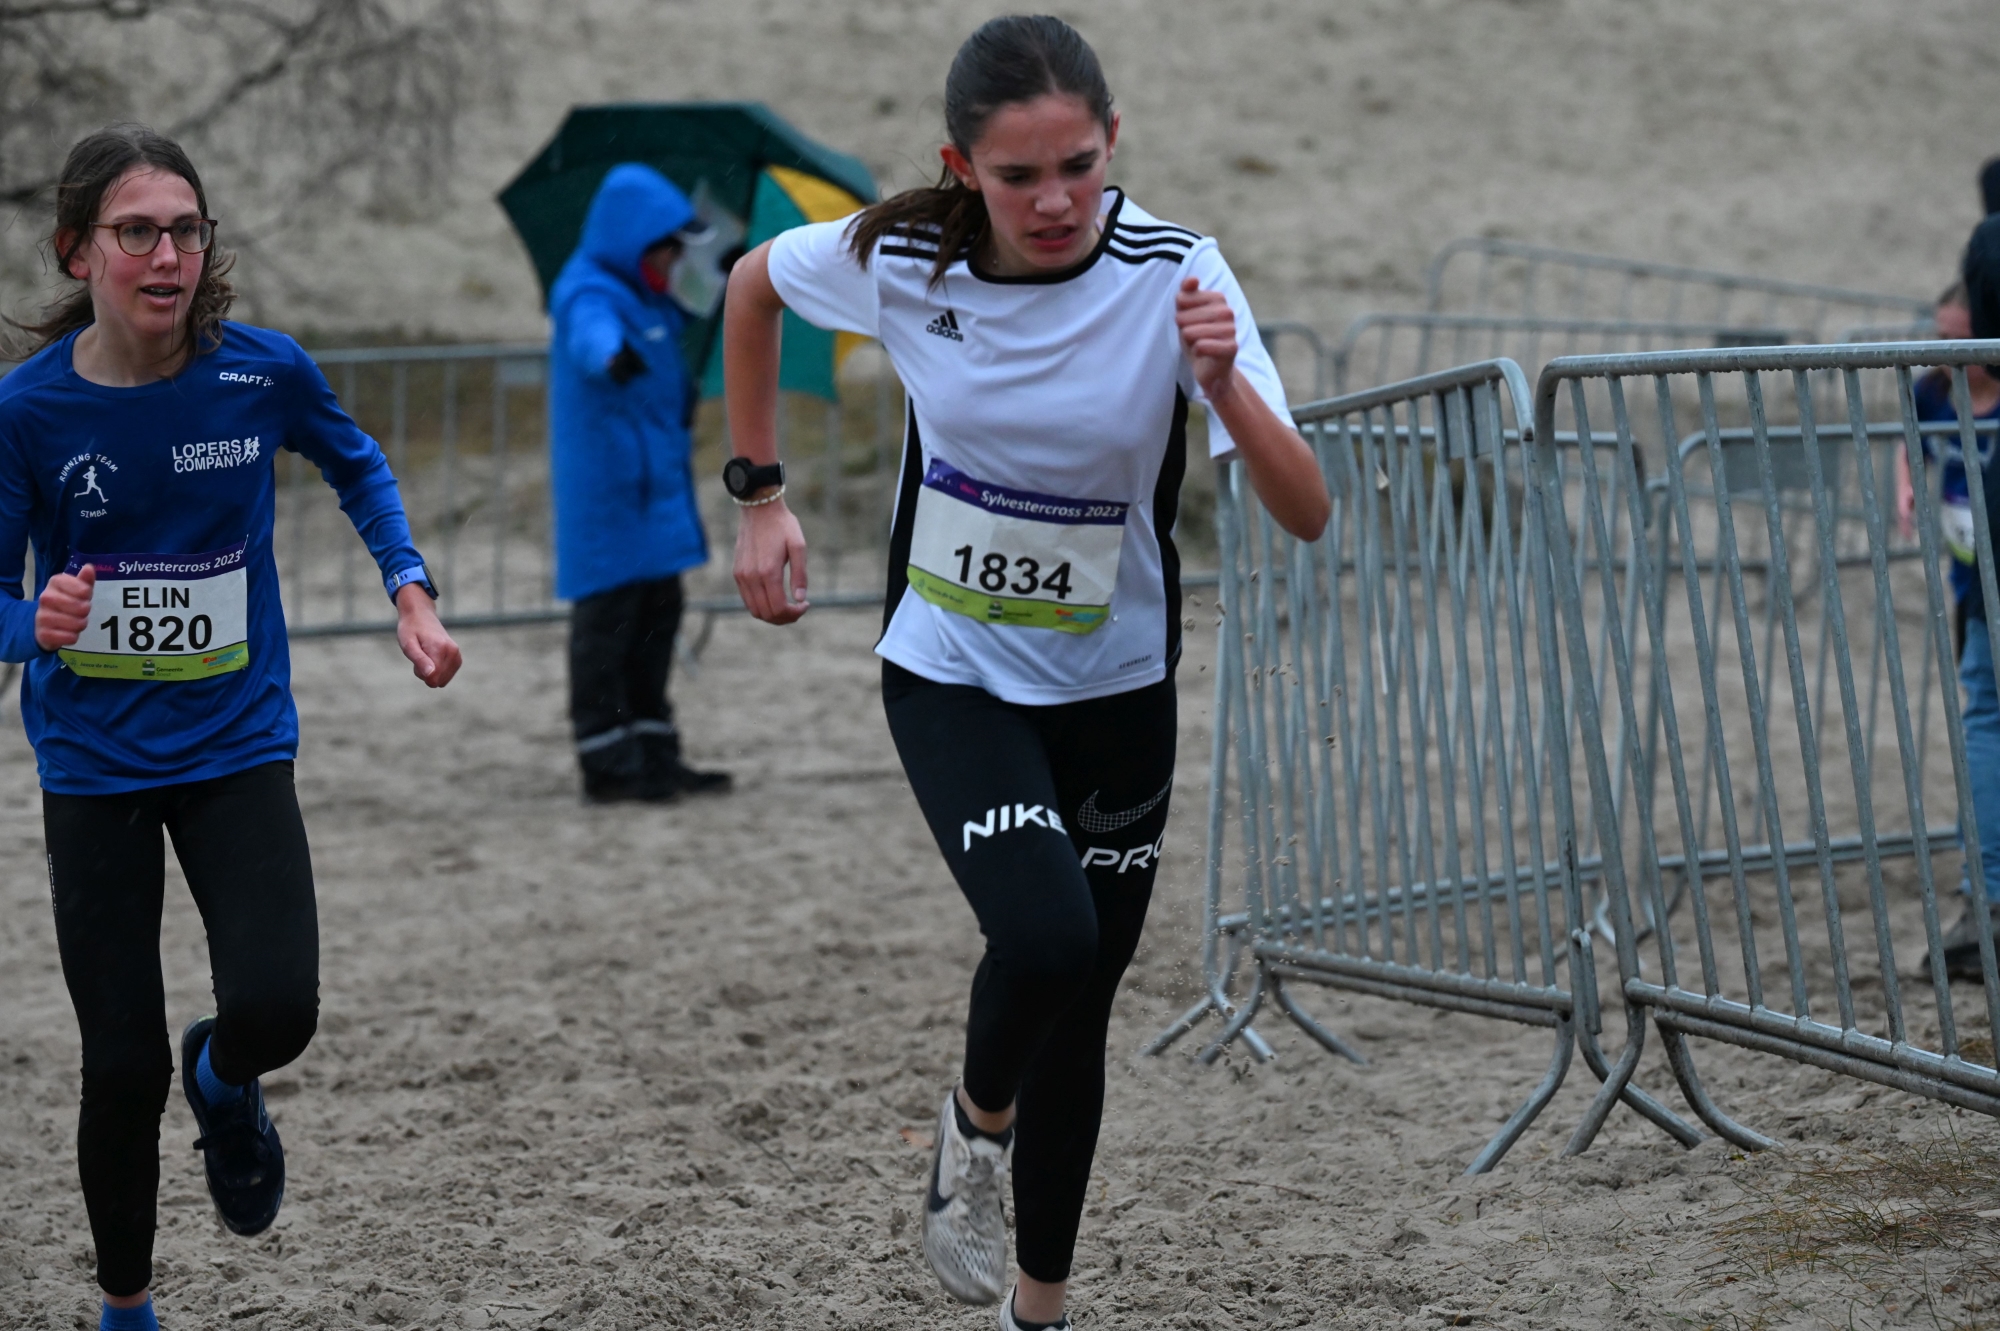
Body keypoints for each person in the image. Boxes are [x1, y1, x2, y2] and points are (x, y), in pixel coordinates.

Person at [721, 17, 1328, 1330]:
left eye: (1078, 167)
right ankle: (973, 1123)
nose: (1055, 201)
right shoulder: (900, 257)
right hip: (954, 670)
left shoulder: (1176, 272)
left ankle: (1035, 1309)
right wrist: (758, 494)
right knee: (1048, 938)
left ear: (1113, 143)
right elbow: (751, 285)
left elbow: (1307, 508)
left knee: (1083, 1000)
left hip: (1117, 689)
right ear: (962, 168)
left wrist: (1224, 385)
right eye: (1018, 176)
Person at [0, 124, 462, 1331]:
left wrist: (408, 587)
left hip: (236, 741)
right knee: (120, 1063)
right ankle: (128, 1307)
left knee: (279, 1007)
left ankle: (225, 1074)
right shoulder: (28, 411)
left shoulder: (261, 373)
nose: (168, 256)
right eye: (137, 232)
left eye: (187, 231)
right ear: (78, 252)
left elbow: (357, 464)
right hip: (94, 763)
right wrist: (32, 621)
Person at [548, 163, 731, 804]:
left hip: (656, 493)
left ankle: (655, 753)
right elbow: (588, 331)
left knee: (656, 626)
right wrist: (611, 355)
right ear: (634, 241)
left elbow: (690, 321)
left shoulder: (649, 299)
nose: (674, 260)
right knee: (607, 633)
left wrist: (728, 275)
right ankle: (608, 764)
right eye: (667, 248)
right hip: (610, 500)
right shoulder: (588, 288)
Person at [1920, 230, 2000, 981]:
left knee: (1987, 716)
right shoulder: (1933, 392)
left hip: (1988, 573)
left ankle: (1989, 899)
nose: (1950, 350)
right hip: (1974, 575)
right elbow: (1910, 442)